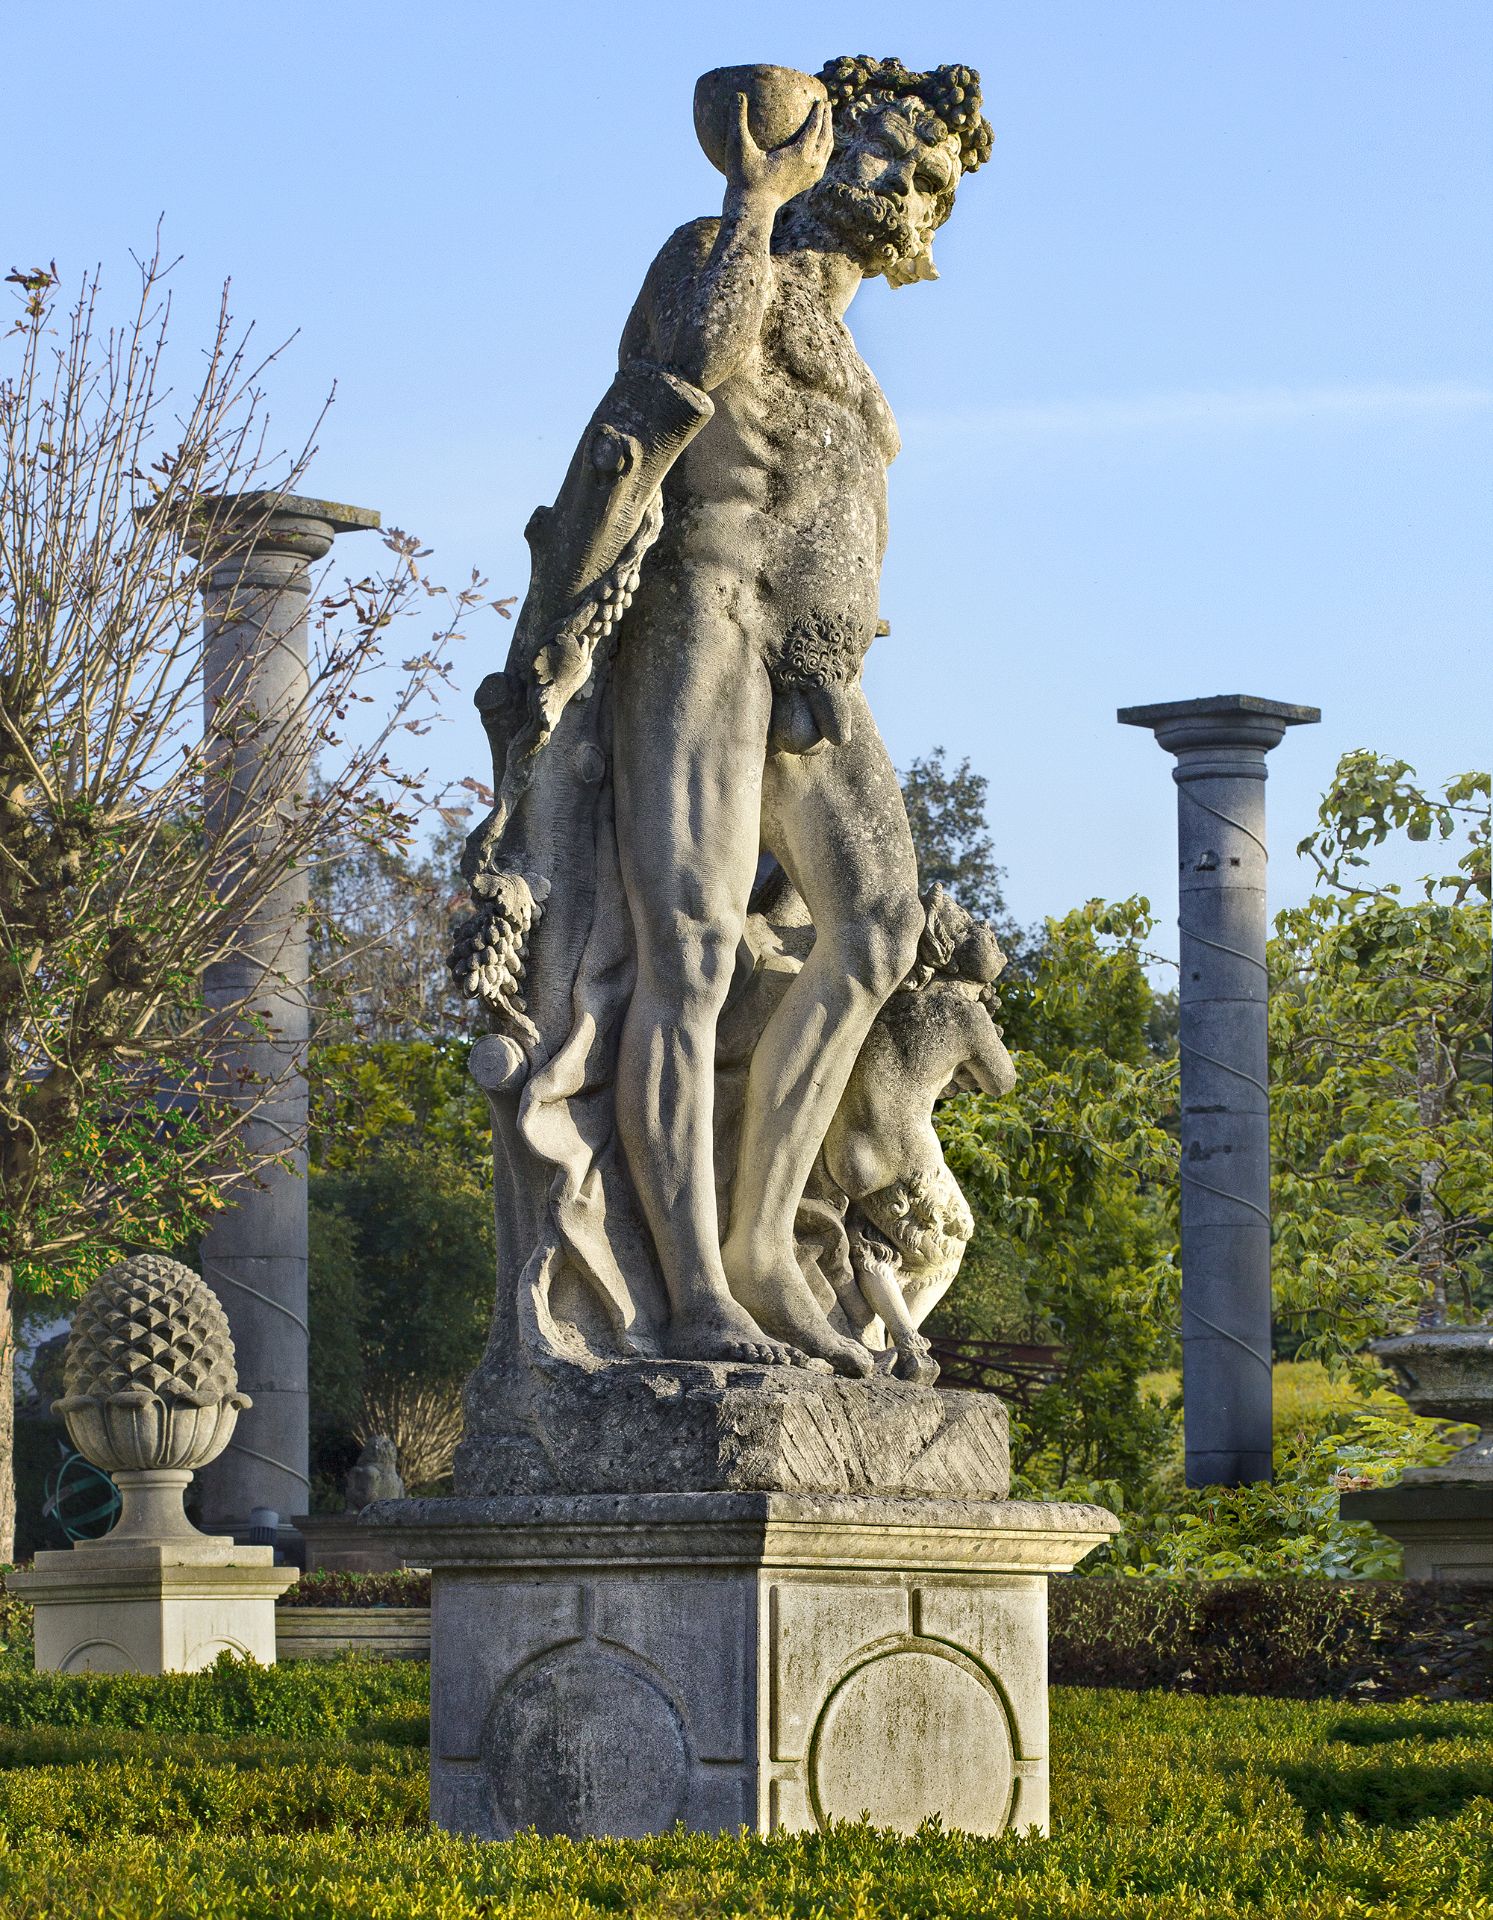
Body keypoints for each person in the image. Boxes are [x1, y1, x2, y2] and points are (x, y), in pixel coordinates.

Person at [604, 60, 994, 1373]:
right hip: (703, 627)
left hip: (818, 670)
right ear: (823, 141)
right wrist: (754, 196)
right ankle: (698, 1289)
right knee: (693, 957)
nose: (900, 189)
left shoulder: (848, 339)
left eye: (928, 180)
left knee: (881, 926)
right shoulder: (719, 249)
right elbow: (681, 386)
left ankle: (769, 1243)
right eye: (880, 153)